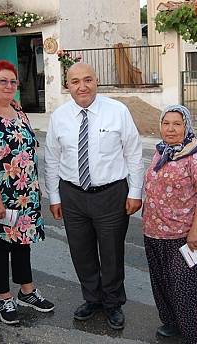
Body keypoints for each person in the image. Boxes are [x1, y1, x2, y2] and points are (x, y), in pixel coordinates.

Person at [44, 62, 144, 330]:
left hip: (111, 194)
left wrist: (135, 191)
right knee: (81, 252)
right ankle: (92, 298)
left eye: (87, 79)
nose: (82, 86)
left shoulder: (117, 112)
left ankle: (112, 303)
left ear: (97, 81)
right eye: (75, 81)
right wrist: (54, 196)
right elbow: (52, 158)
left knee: (111, 253)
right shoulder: (59, 117)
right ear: (68, 86)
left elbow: (133, 153)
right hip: (72, 196)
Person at [0, 60, 54, 325]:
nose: (9, 86)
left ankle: (26, 292)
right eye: (2, 81)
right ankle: (3, 297)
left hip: (26, 192)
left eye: (13, 82)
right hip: (0, 193)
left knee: (23, 243)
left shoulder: (18, 111)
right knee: (0, 247)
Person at [142, 104, 197, 343]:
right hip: (155, 231)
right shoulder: (162, 151)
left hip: (186, 235)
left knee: (191, 289)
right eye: (166, 123)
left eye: (177, 124)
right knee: (163, 283)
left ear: (187, 126)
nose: (171, 129)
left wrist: (196, 232)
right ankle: (173, 323)